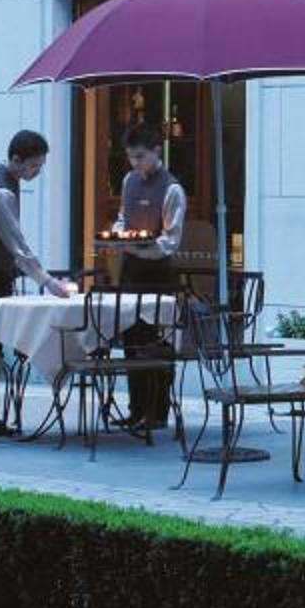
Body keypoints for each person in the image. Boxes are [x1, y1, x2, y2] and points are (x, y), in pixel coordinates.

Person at [0, 129, 70, 437]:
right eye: (34, 166)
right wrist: (46, 281)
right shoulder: (1, 192)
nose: (37, 172)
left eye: (40, 166)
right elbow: (16, 244)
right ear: (17, 160)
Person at [111, 125, 187, 432]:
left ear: (157, 151)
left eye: (140, 156)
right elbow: (122, 218)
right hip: (130, 269)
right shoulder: (128, 180)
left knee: (155, 342)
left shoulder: (172, 189)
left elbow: (170, 241)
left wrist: (135, 247)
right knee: (131, 338)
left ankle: (157, 412)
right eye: (130, 157)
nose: (135, 163)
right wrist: (117, 235)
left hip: (158, 273)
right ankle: (136, 409)